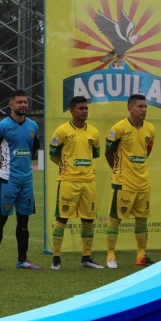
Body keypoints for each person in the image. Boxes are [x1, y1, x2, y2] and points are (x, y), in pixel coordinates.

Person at [0, 89, 41, 271]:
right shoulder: (1, 127)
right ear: (10, 105)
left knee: (23, 221)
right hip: (8, 180)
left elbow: (35, 147)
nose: (23, 105)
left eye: (25, 102)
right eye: (19, 102)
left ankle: (22, 260)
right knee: (1, 219)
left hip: (27, 180)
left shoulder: (33, 126)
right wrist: (2, 165)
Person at [48, 96, 105, 270]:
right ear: (72, 111)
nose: (85, 111)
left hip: (88, 181)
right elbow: (53, 155)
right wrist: (67, 168)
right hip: (68, 181)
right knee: (62, 218)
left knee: (88, 220)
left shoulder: (93, 132)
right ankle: (56, 259)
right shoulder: (61, 131)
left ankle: (86, 258)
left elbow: (94, 154)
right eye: (81, 108)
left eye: (86, 108)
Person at [104, 94, 156, 268]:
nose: (144, 110)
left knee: (142, 219)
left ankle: (141, 256)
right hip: (123, 183)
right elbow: (108, 153)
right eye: (140, 106)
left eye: (145, 106)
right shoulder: (118, 129)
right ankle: (110, 256)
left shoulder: (150, 129)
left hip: (143, 183)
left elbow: (147, 151)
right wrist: (117, 170)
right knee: (115, 219)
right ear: (130, 108)